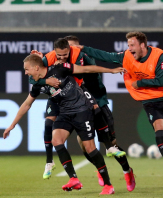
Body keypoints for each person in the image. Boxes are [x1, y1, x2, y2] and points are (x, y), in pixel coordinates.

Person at [76, 31, 163, 184]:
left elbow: (160, 81)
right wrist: (83, 48)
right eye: (128, 45)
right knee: (158, 127)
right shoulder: (127, 56)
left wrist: (139, 83)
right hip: (150, 101)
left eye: (132, 45)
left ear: (142, 45)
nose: (129, 48)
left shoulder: (160, 56)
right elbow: (105, 56)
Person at [4, 54, 125, 195]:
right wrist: (12, 125)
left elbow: (85, 69)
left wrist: (111, 71)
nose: (26, 73)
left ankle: (108, 185)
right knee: (56, 140)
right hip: (65, 113)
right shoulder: (37, 85)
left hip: (81, 111)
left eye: (27, 69)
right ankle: (74, 179)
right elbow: (26, 104)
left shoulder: (60, 69)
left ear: (36, 67)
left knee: (90, 148)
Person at [30, 38, 127, 184]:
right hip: (59, 98)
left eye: (66, 53)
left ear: (72, 49)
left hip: (80, 93)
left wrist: (111, 71)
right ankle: (50, 162)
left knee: (97, 112)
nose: (62, 57)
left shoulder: (80, 56)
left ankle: (119, 160)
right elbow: (33, 78)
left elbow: (88, 70)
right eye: (59, 55)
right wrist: (46, 80)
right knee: (50, 124)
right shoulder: (49, 58)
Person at [64, 35, 135, 191]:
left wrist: (110, 70)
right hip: (81, 108)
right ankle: (100, 167)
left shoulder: (85, 59)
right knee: (84, 145)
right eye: (69, 48)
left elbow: (88, 69)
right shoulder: (63, 64)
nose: (72, 51)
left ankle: (127, 171)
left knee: (111, 144)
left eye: (75, 47)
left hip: (99, 104)